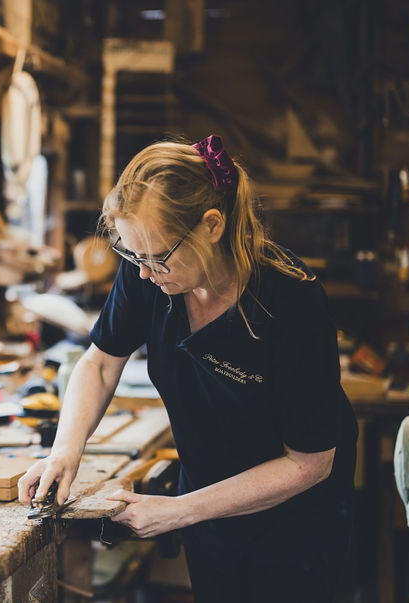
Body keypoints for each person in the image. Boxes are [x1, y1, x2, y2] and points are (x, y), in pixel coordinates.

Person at [18, 136, 357, 602]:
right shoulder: (151, 272)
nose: (142, 272)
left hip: (294, 524)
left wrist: (179, 511)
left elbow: (309, 464)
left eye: (157, 257)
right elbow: (98, 363)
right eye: (132, 255)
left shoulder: (290, 300)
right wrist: (64, 450)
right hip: (207, 508)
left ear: (212, 225)